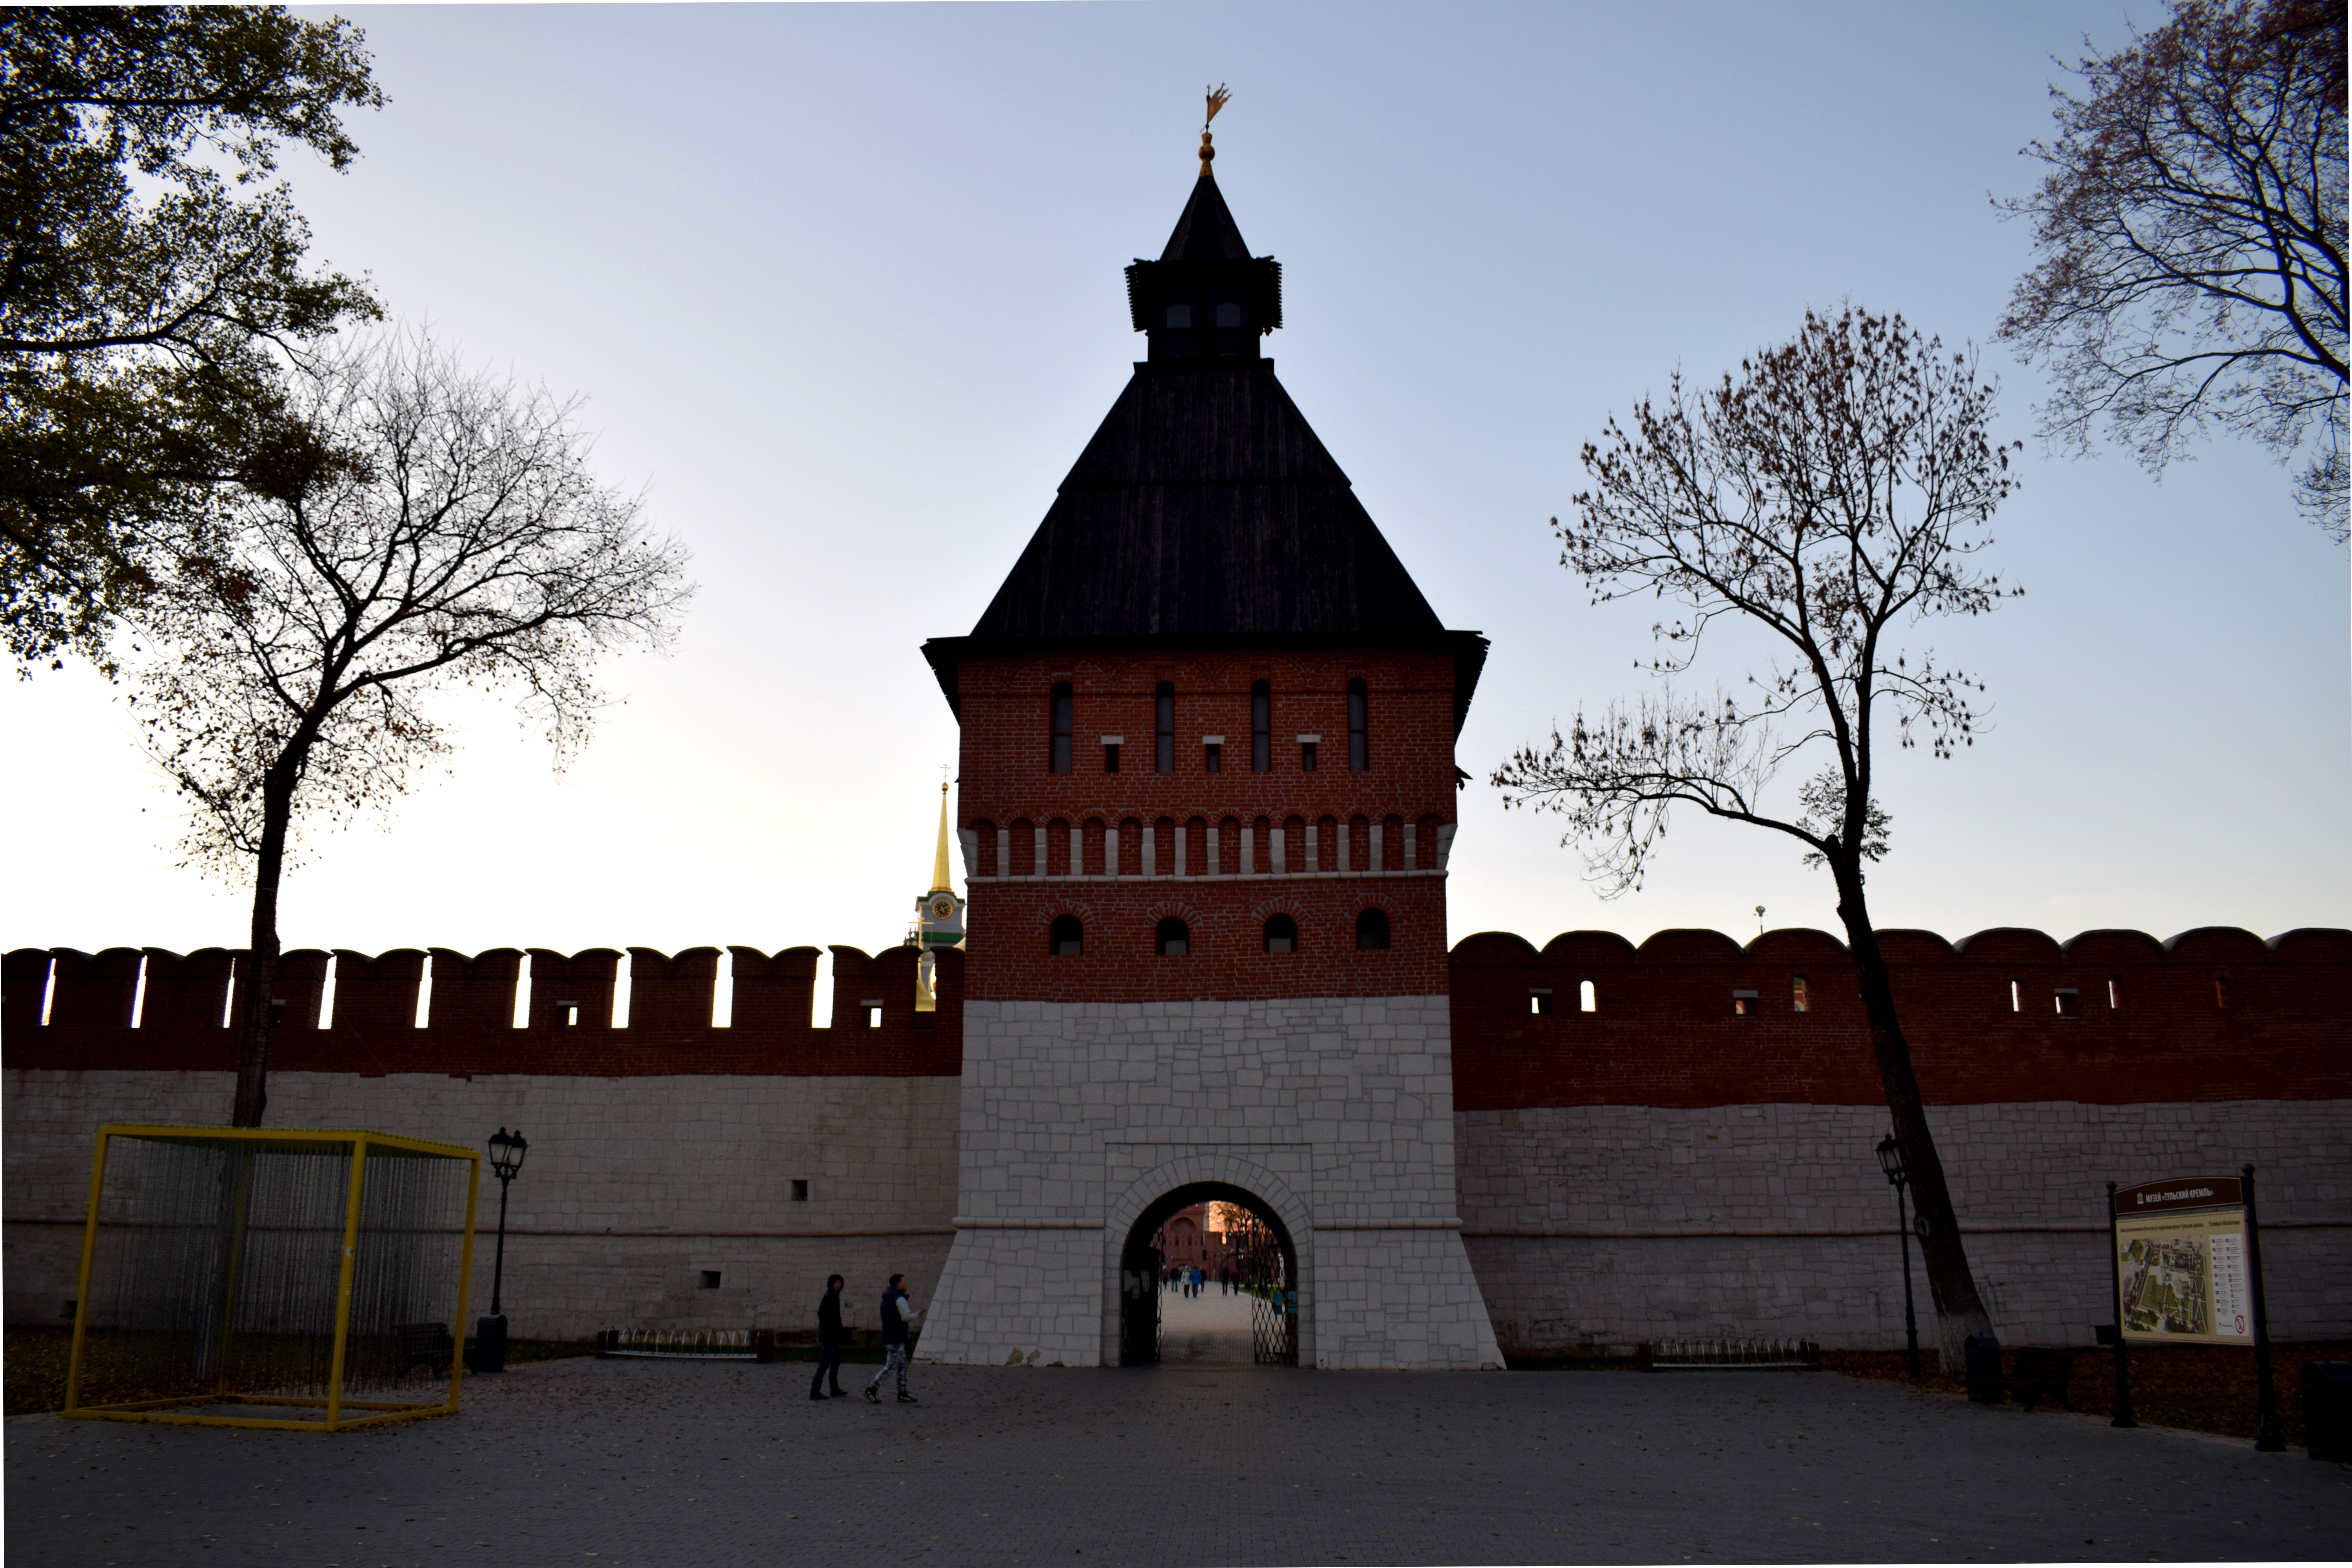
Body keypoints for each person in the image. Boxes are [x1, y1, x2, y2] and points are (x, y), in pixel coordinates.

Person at [864, 1272, 921, 1403]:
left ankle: (902, 1393)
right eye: (904, 1281)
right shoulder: (900, 1299)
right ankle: (872, 1389)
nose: (906, 1283)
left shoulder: (887, 1299)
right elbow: (905, 1317)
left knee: (903, 1365)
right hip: (896, 1337)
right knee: (891, 1366)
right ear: (898, 1284)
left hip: (890, 1336)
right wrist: (918, 1314)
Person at [810, 1274, 848, 1401]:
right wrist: (832, 1328)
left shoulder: (835, 1297)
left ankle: (834, 1388)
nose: (837, 1285)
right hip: (829, 1336)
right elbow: (822, 1314)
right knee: (824, 1364)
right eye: (835, 1283)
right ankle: (815, 1391)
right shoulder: (829, 1297)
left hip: (834, 1335)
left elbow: (837, 1317)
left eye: (839, 1283)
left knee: (836, 1361)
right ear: (830, 1284)